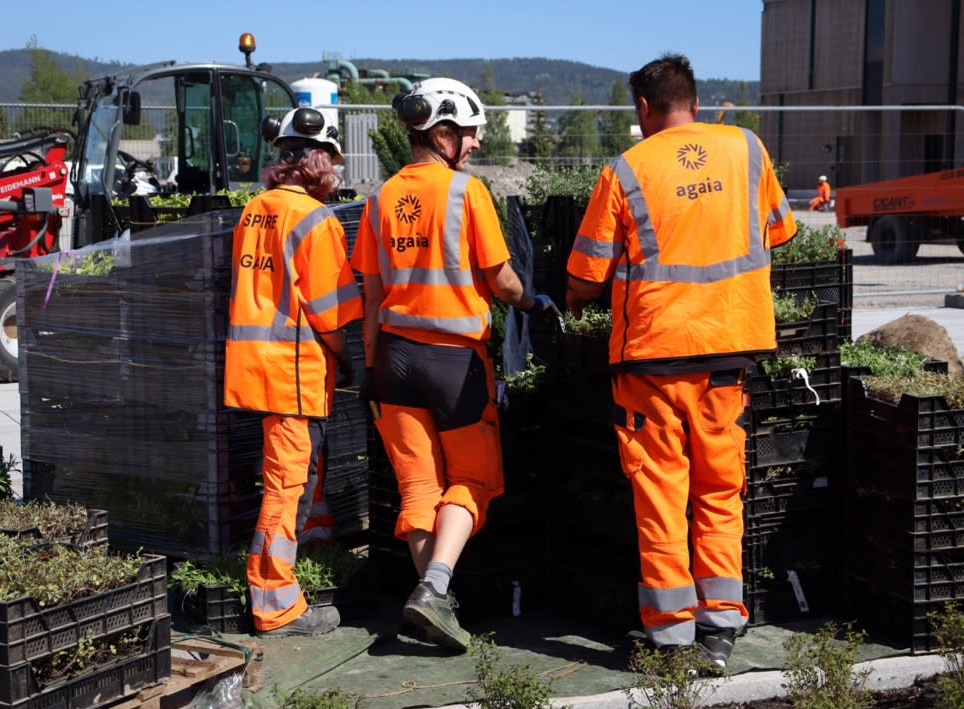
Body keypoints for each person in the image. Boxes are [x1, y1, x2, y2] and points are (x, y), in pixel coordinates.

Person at [565, 54, 796, 672]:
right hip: (728, 351)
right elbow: (779, 230)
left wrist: (572, 298)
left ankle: (671, 634)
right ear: (695, 99)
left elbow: (587, 274)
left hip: (654, 358)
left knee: (662, 492)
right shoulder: (746, 148)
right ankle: (721, 627)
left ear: (643, 108)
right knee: (721, 489)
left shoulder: (627, 168)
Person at [351, 77, 556, 652]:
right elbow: (502, 279)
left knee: (418, 487)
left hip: (392, 359)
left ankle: (433, 601)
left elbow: (371, 295)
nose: (473, 145)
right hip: (453, 365)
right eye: (468, 136)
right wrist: (530, 300)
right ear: (442, 134)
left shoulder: (379, 198)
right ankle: (437, 587)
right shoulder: (467, 194)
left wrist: (370, 367)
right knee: (474, 479)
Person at [224, 106, 363, 637]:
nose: (338, 170)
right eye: (333, 158)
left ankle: (288, 575)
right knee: (285, 486)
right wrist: (349, 359)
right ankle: (274, 603)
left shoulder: (255, 209)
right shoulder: (316, 220)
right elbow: (329, 313)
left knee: (292, 479)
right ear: (316, 161)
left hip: (257, 369)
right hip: (294, 373)